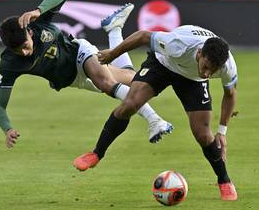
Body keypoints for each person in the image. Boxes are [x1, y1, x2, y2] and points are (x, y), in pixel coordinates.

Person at [0, 0, 173, 149]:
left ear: (30, 32)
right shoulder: (9, 64)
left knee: (107, 84)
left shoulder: (38, 23)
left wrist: (39, 10)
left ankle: (155, 121)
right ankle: (114, 29)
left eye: (25, 46)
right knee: (134, 79)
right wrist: (7, 129)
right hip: (73, 80)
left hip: (79, 52)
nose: (24, 53)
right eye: (18, 51)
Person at [74, 24, 239, 201]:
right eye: (206, 66)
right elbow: (143, 36)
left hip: (192, 81)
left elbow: (230, 94)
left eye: (212, 71)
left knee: (203, 134)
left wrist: (222, 131)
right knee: (130, 104)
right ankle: (96, 153)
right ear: (199, 53)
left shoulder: (226, 65)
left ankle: (224, 181)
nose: (208, 74)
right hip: (163, 64)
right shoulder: (179, 44)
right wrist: (112, 54)